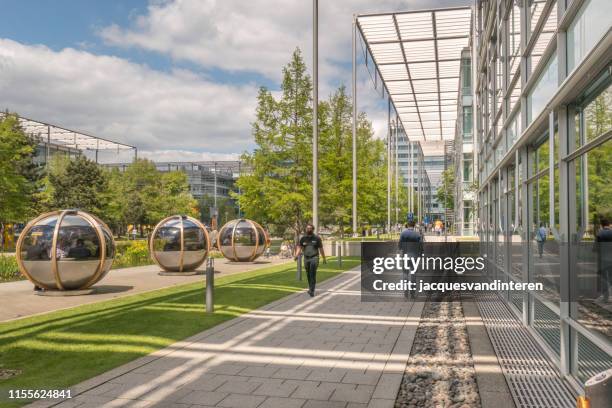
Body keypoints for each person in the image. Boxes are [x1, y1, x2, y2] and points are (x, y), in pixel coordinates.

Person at [295, 223, 326, 297]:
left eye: (310, 228)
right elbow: (299, 247)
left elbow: (321, 249)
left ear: (313, 229)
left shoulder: (317, 238)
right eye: (307, 228)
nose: (308, 229)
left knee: (312, 273)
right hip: (306, 258)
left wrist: (324, 258)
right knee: (308, 273)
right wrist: (296, 255)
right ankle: (310, 288)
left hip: (314, 258)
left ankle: (312, 290)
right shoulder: (303, 238)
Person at [596, 218, 612, 303]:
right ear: (609, 224)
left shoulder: (599, 233)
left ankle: (606, 297)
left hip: (603, 259)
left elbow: (596, 248)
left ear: (601, 225)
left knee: (604, 278)